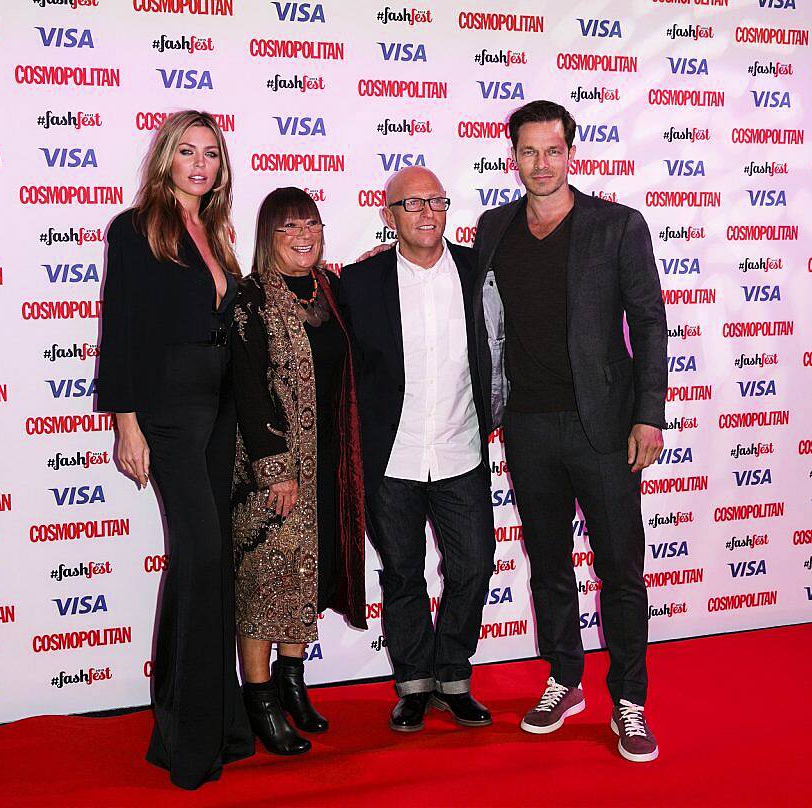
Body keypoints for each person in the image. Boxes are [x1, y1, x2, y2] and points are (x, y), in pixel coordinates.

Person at [472, 100, 668, 762]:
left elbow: (648, 322)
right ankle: (564, 678)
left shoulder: (616, 225)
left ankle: (630, 701)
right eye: (528, 152)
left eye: (553, 150)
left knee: (621, 569)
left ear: (571, 154)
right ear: (513, 158)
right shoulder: (494, 228)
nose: (541, 163)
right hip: (526, 426)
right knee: (550, 566)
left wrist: (650, 411)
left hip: (604, 428)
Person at [96, 110, 254, 789]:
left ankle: (215, 721)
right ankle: (185, 738)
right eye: (186, 152)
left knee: (209, 565)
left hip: (219, 410)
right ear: (165, 159)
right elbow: (121, 324)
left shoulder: (215, 232)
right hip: (167, 411)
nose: (199, 164)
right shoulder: (135, 230)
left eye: (210, 154)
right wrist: (125, 422)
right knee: (203, 555)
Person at [339, 166, 495, 733]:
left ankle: (453, 674)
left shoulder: (480, 271)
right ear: (389, 216)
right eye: (413, 205)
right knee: (402, 574)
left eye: (437, 201)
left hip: (462, 451)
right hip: (392, 458)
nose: (429, 213)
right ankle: (414, 684)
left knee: (474, 566)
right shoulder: (360, 284)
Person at [230, 187, 367, 755]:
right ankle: (259, 699)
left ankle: (292, 681)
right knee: (267, 579)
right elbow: (247, 387)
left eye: (310, 223)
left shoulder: (330, 290)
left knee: (305, 576)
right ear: (268, 236)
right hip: (276, 464)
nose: (303, 235)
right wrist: (275, 467)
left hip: (329, 459)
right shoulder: (252, 298)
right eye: (288, 227)